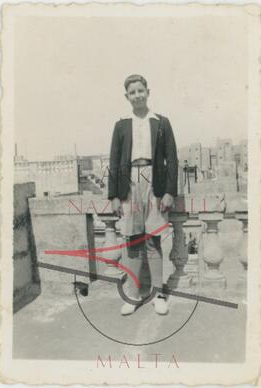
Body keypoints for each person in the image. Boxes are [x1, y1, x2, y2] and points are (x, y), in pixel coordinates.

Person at [108, 74, 178, 315]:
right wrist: (114, 195)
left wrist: (169, 191)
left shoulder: (161, 122)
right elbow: (114, 162)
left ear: (148, 92)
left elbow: (172, 159)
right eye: (132, 92)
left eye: (141, 90)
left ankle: (159, 294)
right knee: (132, 241)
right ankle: (133, 295)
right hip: (129, 182)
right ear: (126, 96)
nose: (137, 95)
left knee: (153, 240)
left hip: (154, 181)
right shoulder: (121, 125)